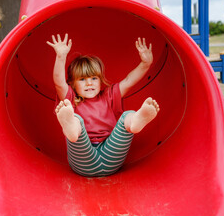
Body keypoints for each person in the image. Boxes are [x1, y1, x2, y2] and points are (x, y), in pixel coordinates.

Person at [47, 33, 160, 177]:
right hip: (82, 159)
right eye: (82, 79)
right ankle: (71, 128)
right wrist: (61, 56)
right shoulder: (71, 98)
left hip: (111, 155)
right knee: (76, 119)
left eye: (94, 78)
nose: (89, 83)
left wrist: (145, 64)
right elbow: (58, 81)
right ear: (73, 85)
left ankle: (136, 122)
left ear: (100, 81)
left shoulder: (109, 96)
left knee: (127, 115)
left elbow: (129, 80)